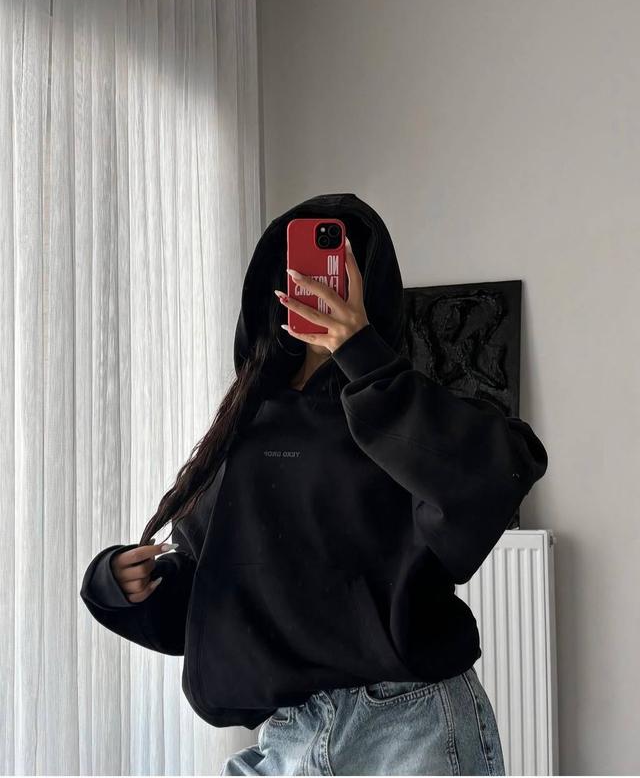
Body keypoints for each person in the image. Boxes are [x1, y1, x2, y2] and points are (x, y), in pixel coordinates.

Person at [80, 192, 548, 775]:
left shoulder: (400, 403)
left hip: (409, 726)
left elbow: (495, 475)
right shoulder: (243, 426)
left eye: (337, 268)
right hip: (288, 734)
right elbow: (224, 596)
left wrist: (360, 353)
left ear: (370, 284)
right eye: (297, 268)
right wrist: (125, 588)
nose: (314, 282)